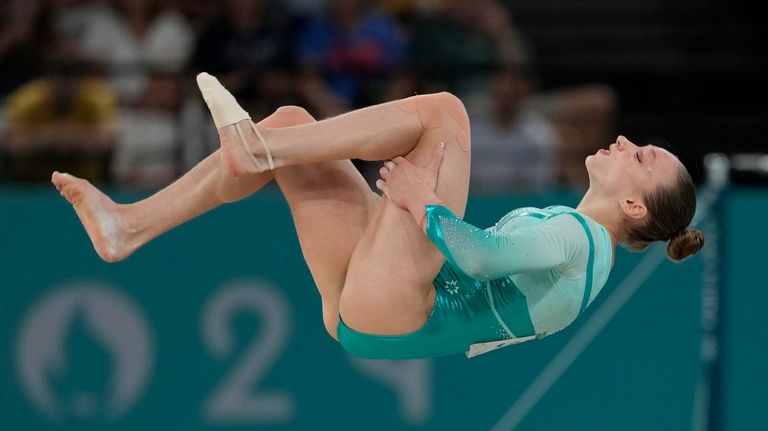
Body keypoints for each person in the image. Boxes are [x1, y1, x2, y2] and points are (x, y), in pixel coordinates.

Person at [51, 72, 704, 359]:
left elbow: (478, 258)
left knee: (446, 112)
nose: (625, 142)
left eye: (641, 155)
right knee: (292, 124)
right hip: (368, 315)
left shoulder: (581, 237)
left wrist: (426, 208)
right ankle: (128, 225)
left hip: (400, 306)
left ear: (633, 205)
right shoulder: (578, 242)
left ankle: (257, 150)